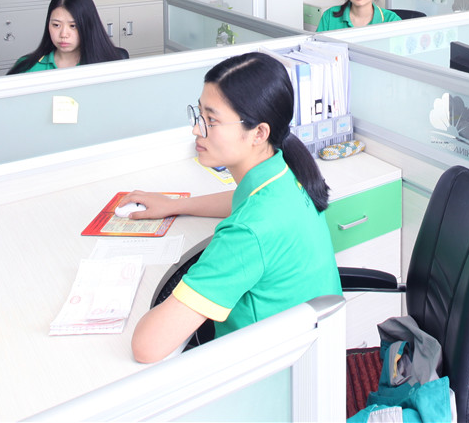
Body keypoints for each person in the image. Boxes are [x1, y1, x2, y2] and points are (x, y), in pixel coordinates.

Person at [126, 53, 341, 362]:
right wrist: (175, 205)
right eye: (199, 114)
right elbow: (244, 201)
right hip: (312, 355)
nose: (197, 130)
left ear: (259, 133)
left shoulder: (248, 232)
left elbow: (147, 347)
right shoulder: (285, 175)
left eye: (211, 121)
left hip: (268, 374)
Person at [7, 0, 127, 73]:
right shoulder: (27, 67)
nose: (63, 34)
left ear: (88, 26)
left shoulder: (110, 67)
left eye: (73, 26)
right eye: (56, 25)